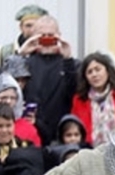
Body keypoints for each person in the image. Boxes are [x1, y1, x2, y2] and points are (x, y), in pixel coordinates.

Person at [20, 15, 79, 146]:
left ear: (58, 36)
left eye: (51, 35)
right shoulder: (25, 64)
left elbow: (74, 91)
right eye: (42, 36)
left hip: (62, 135)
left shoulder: (71, 64)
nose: (46, 39)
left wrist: (67, 59)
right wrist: (21, 54)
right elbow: (5, 85)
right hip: (31, 134)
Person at [0, 4, 48, 100]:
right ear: (21, 27)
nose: (33, 30)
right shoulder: (5, 52)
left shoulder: (52, 53)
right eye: (28, 25)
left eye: (37, 26)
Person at [70, 52, 115, 147]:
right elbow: (75, 128)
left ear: (107, 71)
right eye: (89, 72)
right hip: (91, 152)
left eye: (98, 69)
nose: (94, 74)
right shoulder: (79, 100)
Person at [0, 73, 42, 146]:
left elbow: (36, 153)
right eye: (3, 97)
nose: (8, 102)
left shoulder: (29, 129)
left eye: (12, 98)